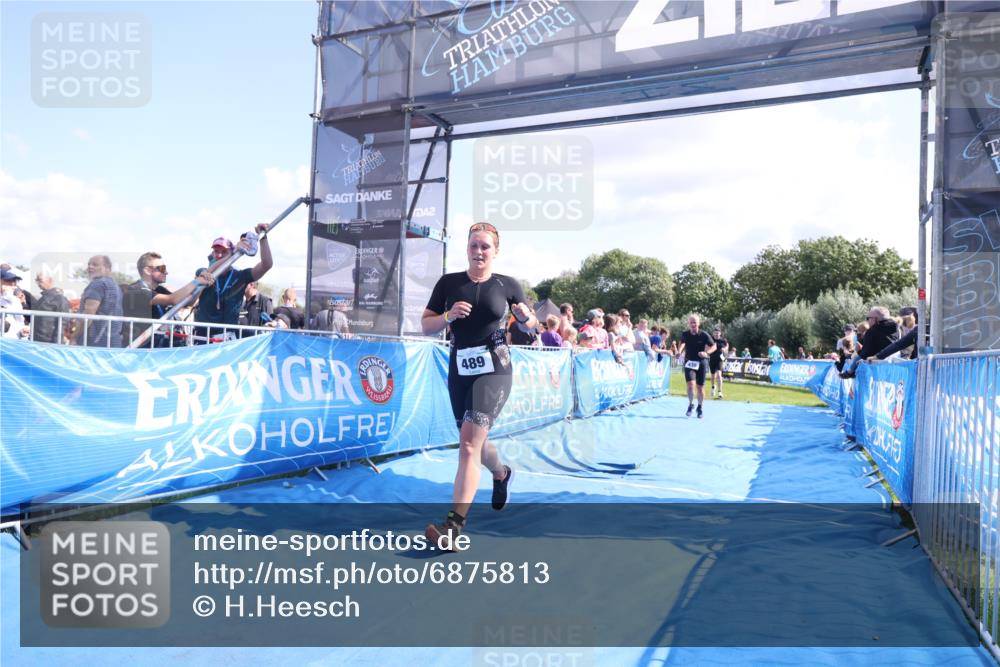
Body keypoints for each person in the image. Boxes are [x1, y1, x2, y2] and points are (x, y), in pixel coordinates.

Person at [421, 222, 537, 548]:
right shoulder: (449, 284)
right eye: (474, 245)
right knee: (473, 442)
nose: (479, 251)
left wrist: (526, 317)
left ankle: (453, 528)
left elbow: (533, 323)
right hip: (460, 369)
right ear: (467, 249)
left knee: (469, 445)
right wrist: (447, 317)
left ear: (495, 251)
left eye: (485, 246)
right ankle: (501, 473)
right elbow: (425, 325)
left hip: (495, 369)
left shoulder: (508, 285)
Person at [194, 225, 272, 343]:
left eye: (224, 252)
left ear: (233, 254)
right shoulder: (204, 272)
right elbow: (198, 279)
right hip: (203, 338)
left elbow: (266, 265)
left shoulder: (240, 276)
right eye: (216, 251)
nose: (219, 255)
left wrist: (263, 237)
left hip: (228, 341)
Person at [122, 252, 214, 347]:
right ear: (147, 270)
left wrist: (201, 286)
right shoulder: (136, 290)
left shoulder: (159, 290)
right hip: (137, 350)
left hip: (154, 348)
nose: (166, 272)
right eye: (162, 268)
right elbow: (173, 299)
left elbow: (187, 303)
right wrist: (197, 281)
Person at [72, 255, 123, 347]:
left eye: (95, 265)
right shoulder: (116, 286)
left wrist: (74, 337)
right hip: (112, 342)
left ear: (107, 268)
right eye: (89, 264)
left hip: (93, 344)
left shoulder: (97, 284)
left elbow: (88, 314)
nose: (90, 267)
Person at [677, 314, 716, 418]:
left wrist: (707, 353)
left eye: (695, 322)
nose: (693, 324)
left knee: (700, 388)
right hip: (689, 362)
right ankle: (690, 404)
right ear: (688, 323)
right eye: (691, 322)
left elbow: (714, 346)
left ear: (698, 323)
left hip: (701, 363)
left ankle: (700, 407)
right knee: (690, 385)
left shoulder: (704, 334)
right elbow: (682, 343)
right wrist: (679, 351)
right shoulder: (685, 334)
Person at [32, 271, 71, 343]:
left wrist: (57, 342)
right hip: (38, 339)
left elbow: (62, 322)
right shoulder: (42, 299)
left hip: (49, 341)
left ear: (50, 280)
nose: (38, 283)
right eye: (36, 280)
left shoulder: (59, 299)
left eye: (40, 280)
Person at [709, 326, 729, 399]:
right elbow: (706, 346)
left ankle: (720, 392)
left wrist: (725, 349)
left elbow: (727, 346)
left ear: (720, 333)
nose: (716, 334)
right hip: (712, 359)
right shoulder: (711, 339)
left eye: (718, 333)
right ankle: (713, 387)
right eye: (715, 333)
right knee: (712, 376)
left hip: (719, 360)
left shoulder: (723, 340)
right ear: (713, 333)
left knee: (719, 375)